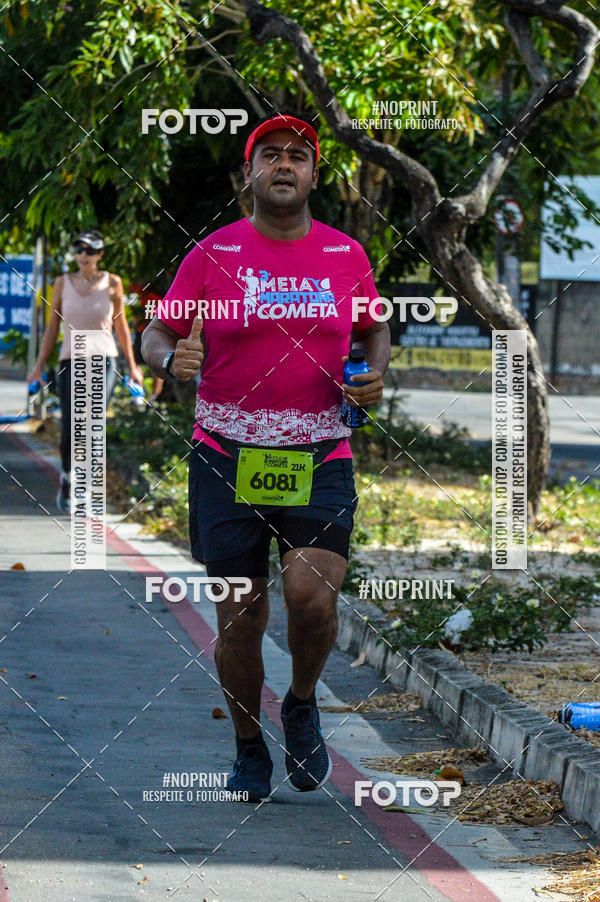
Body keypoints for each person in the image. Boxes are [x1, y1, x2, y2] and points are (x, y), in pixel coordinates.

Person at [142, 113, 391, 802]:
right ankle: (249, 745)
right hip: (225, 454)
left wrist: (373, 376)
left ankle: (303, 702)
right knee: (241, 615)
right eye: (271, 155)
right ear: (248, 174)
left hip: (319, 452)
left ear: (314, 175)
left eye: (299, 156)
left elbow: (374, 328)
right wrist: (170, 359)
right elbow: (157, 330)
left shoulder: (346, 256)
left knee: (312, 599)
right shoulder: (212, 254)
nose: (286, 164)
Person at [27, 230, 144, 512]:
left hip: (104, 361)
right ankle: (68, 478)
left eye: (90, 251)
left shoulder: (113, 283)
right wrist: (38, 367)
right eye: (79, 250)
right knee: (71, 425)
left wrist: (133, 368)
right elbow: (52, 329)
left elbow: (122, 330)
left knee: (93, 423)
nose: (84, 256)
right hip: (71, 361)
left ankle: (88, 486)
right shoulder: (62, 283)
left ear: (100, 254)